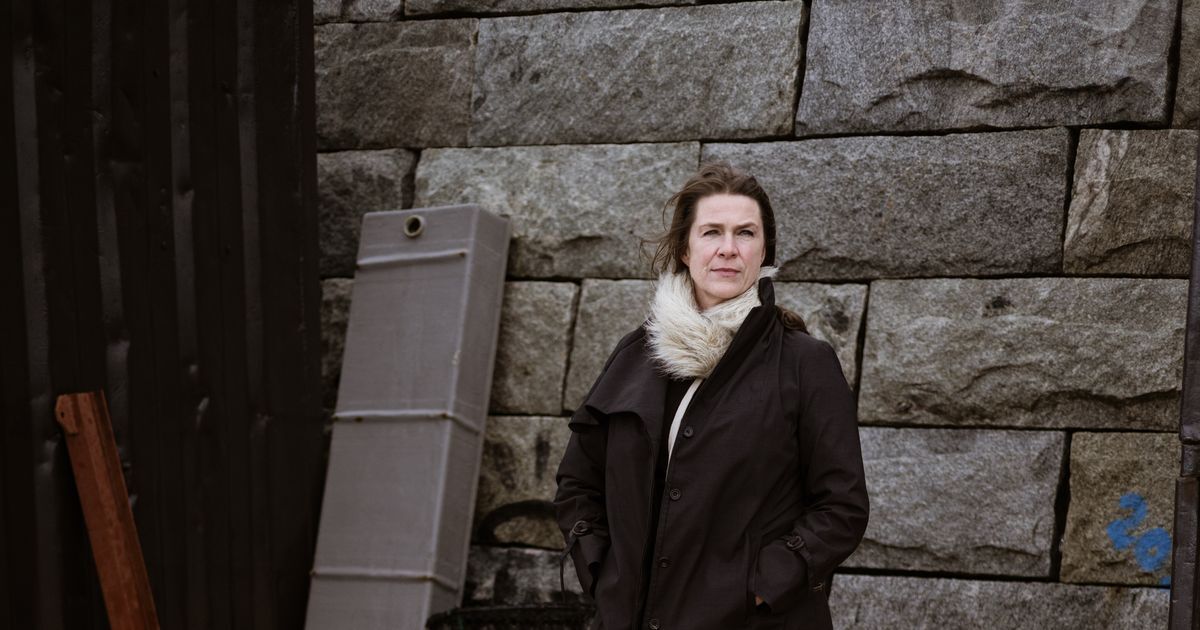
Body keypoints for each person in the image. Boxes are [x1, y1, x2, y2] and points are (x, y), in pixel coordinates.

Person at [554, 162, 869, 630]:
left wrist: (759, 586)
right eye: (711, 232)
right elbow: (578, 482)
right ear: (685, 248)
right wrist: (603, 572)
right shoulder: (635, 355)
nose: (728, 249)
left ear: (764, 250)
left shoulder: (805, 363)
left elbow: (842, 507)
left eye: (745, 233)